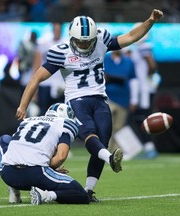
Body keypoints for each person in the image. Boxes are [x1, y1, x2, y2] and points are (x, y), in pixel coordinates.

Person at [16, 9, 164, 202]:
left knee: (102, 139)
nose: (84, 44)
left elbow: (129, 37)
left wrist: (150, 21)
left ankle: (88, 190)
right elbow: (36, 78)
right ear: (72, 37)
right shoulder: (61, 52)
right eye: (81, 40)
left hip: (100, 99)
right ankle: (110, 158)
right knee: (89, 133)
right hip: (76, 101)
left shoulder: (101, 40)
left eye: (88, 40)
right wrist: (23, 105)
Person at [0, 103, 90, 205]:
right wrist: (51, 168)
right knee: (81, 195)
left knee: (3, 139)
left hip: (8, 174)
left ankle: (13, 190)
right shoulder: (64, 123)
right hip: (35, 174)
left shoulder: (28, 121)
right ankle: (45, 195)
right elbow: (61, 156)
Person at [125, 23, 160, 159]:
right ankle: (147, 146)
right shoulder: (138, 48)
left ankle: (149, 146)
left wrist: (147, 78)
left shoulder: (144, 47)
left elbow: (151, 65)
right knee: (139, 118)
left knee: (142, 118)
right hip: (141, 88)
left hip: (143, 89)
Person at [104, 49, 138, 153]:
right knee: (107, 126)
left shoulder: (128, 61)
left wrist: (134, 99)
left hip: (123, 98)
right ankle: (105, 150)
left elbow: (133, 80)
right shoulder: (104, 59)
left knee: (119, 126)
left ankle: (116, 151)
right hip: (107, 97)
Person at [36, 22, 65, 115]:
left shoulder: (66, 43)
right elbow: (37, 64)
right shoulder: (44, 43)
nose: (57, 32)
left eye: (59, 30)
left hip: (60, 84)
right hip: (45, 83)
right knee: (43, 112)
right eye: (55, 29)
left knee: (59, 114)